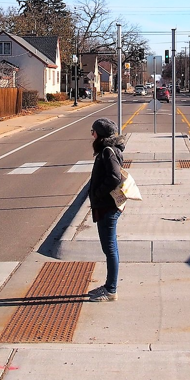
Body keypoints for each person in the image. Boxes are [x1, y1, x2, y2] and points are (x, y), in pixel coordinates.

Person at [87, 118, 125, 302]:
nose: (92, 135)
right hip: (107, 206)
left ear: (100, 135)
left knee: (110, 249)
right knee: (110, 248)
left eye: (93, 132)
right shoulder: (107, 150)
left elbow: (114, 177)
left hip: (107, 207)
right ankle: (110, 286)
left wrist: (99, 193)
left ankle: (111, 290)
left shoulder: (107, 152)